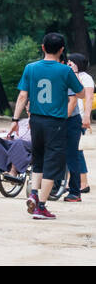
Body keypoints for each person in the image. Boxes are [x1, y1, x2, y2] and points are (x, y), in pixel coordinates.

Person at [12, 32, 84, 220]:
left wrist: (14, 120)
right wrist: (74, 75)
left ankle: (34, 193)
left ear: (42, 47)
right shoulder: (65, 71)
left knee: (38, 159)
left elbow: (22, 96)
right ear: (62, 50)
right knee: (52, 164)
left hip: (35, 120)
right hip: (56, 123)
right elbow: (82, 94)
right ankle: (41, 207)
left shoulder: (31, 68)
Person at [62, 52, 93, 202]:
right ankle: (76, 182)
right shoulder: (68, 74)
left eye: (71, 62)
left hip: (78, 117)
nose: (68, 63)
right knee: (74, 151)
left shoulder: (85, 77)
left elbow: (88, 97)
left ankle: (83, 182)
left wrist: (86, 117)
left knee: (75, 151)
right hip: (71, 116)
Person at [0, 112, 30, 181]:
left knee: (18, 142)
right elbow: (13, 133)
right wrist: (6, 134)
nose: (28, 107)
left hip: (29, 145)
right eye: (27, 105)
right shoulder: (21, 122)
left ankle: (13, 171)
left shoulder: (41, 122)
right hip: (15, 142)